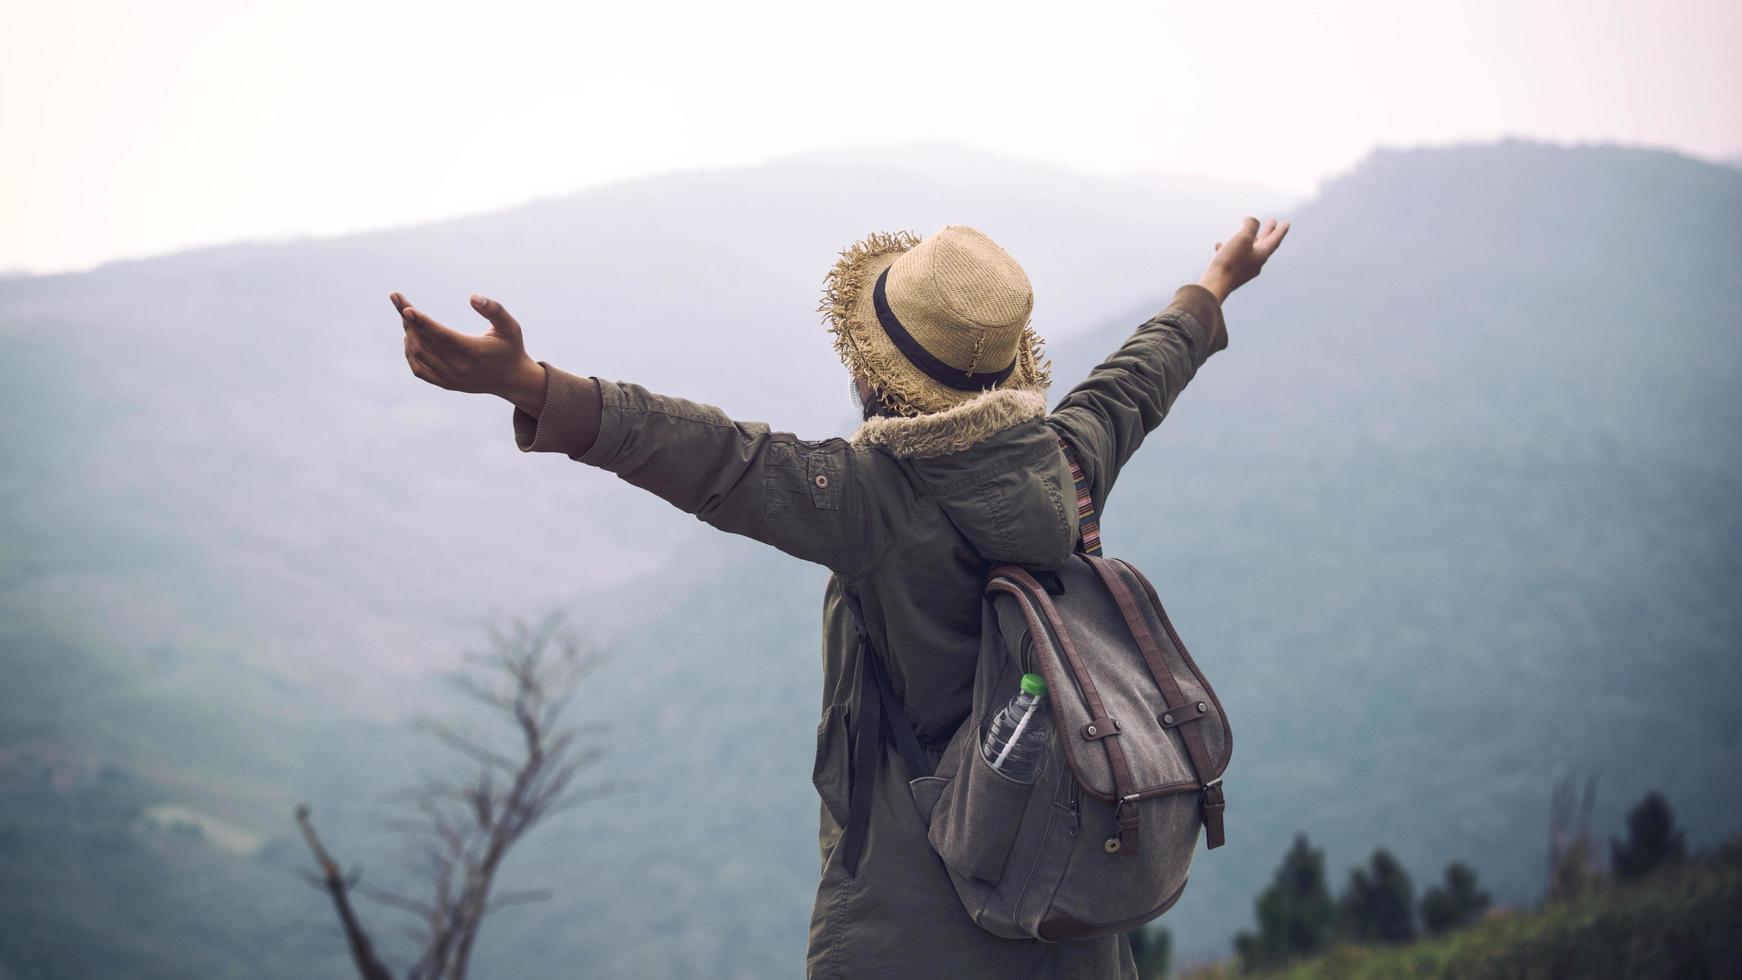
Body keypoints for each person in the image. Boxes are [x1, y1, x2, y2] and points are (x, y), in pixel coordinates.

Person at [390, 215, 1289, 978]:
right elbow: (1139, 378)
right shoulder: (1069, 459)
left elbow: (716, 457)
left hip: (912, 923)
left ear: (874, 376)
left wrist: (527, 384)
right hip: (1069, 905)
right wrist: (1212, 286)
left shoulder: (871, 503)